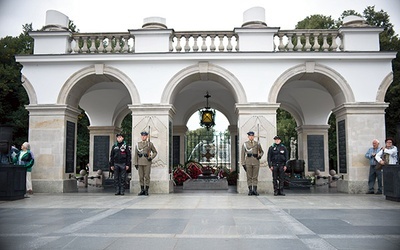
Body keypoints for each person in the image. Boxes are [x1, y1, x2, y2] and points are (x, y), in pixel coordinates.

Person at [134, 131, 157, 196]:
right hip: (140, 161)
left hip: (147, 162)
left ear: (147, 136)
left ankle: (146, 190)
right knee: (141, 177)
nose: (143, 137)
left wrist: (151, 157)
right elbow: (136, 154)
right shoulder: (138, 144)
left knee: (147, 176)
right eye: (142, 135)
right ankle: (142, 190)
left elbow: (155, 152)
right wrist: (136, 163)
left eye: (144, 135)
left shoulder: (150, 144)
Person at [241, 131, 264, 196]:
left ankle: (255, 190)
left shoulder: (257, 144)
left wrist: (259, 156)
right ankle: (250, 190)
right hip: (248, 161)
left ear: (254, 136)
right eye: (250, 136)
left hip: (256, 161)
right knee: (249, 177)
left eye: (252, 136)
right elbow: (242, 154)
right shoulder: (245, 144)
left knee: (255, 177)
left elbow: (262, 152)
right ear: (248, 137)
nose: (251, 137)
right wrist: (243, 163)